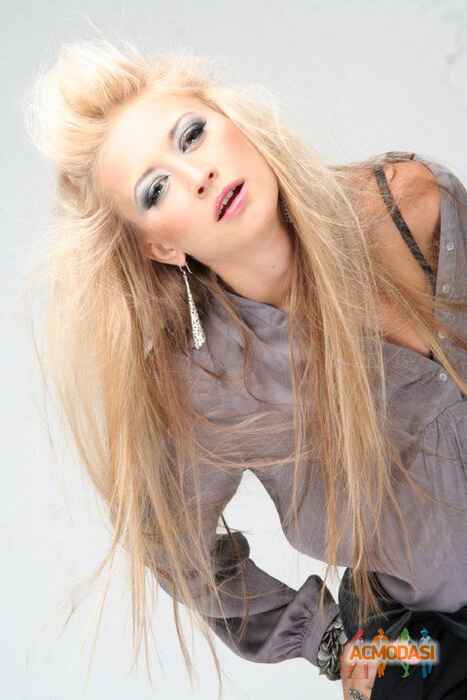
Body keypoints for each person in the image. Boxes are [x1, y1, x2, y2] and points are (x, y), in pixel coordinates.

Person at [26, 37, 467, 699]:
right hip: (422, 642)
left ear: (236, 125)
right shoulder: (210, 389)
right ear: (159, 245)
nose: (196, 174)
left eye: (192, 135)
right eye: (155, 189)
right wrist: (328, 640)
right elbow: (177, 549)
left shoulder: (410, 201)